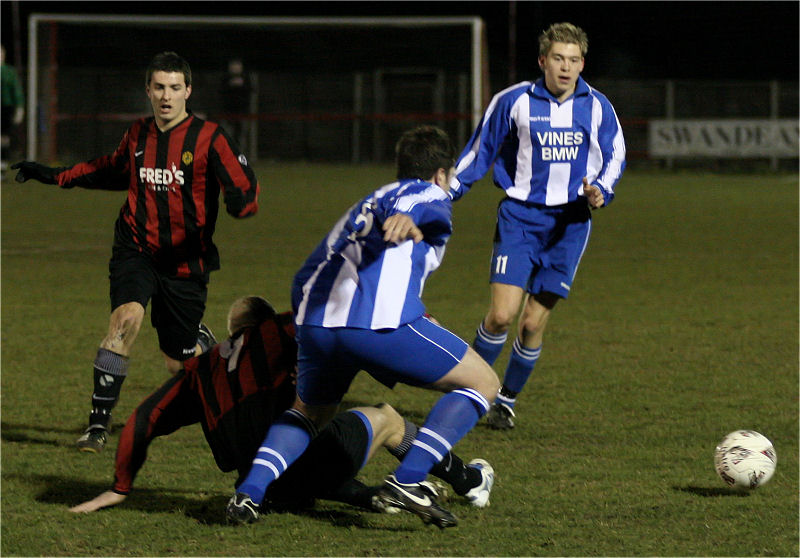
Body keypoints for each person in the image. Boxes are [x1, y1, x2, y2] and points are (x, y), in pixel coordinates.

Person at [226, 126, 500, 529]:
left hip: (319, 325)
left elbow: (308, 272)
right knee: (484, 383)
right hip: (378, 326)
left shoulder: (368, 201)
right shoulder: (424, 193)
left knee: (308, 413)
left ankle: (248, 494)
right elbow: (424, 202)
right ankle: (408, 479)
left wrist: (307, 329)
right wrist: (410, 215)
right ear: (442, 174)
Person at [11, 51, 260, 453]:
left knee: (177, 364)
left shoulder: (210, 137)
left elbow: (244, 185)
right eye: (159, 87)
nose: (166, 96)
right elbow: (110, 169)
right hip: (136, 248)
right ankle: (97, 426)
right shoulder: (138, 134)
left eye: (175, 88)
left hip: (185, 264)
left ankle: (200, 343)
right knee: (124, 320)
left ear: (187, 91)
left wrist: (239, 202)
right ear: (148, 90)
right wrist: (53, 175)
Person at [68, 296, 495, 518]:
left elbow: (144, 419)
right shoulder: (284, 329)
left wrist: (120, 486)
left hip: (261, 483)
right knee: (387, 417)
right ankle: (467, 479)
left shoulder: (198, 371)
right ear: (264, 322)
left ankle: (364, 497)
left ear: (233, 332)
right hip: (298, 469)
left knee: (311, 440)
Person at [449, 22, 626, 429]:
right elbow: (480, 151)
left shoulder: (598, 106)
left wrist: (601, 189)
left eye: (574, 60)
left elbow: (614, 155)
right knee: (500, 317)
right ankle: (469, 391)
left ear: (583, 64)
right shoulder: (513, 101)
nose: (566, 68)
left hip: (570, 224)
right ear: (543, 61)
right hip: (520, 218)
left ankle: (506, 401)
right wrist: (445, 193)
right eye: (559, 59)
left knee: (532, 322)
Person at [1, 44, 25, 170]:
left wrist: (19, 108)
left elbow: (16, 91)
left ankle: (2, 166)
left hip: (5, 107)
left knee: (3, 137)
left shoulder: (9, 72)